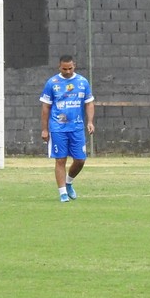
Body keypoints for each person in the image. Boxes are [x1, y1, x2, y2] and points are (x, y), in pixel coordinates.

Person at [39, 55, 95, 203]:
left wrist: (90, 121)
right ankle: (62, 193)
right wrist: (44, 129)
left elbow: (89, 103)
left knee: (80, 160)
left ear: (74, 66)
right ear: (59, 67)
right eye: (64, 69)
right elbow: (45, 107)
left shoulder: (82, 82)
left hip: (76, 127)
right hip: (58, 127)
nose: (68, 71)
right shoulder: (52, 83)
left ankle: (69, 182)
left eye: (70, 68)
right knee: (60, 159)